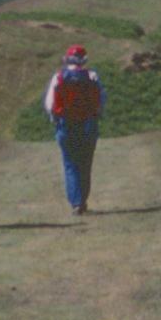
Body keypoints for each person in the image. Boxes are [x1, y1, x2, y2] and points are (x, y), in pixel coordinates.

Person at [44, 43, 106, 215]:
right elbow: (101, 101)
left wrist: (54, 118)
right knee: (85, 164)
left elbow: (50, 104)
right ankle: (83, 200)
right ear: (84, 60)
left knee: (70, 164)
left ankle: (76, 202)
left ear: (67, 59)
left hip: (66, 125)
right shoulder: (92, 76)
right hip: (88, 125)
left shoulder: (59, 77)